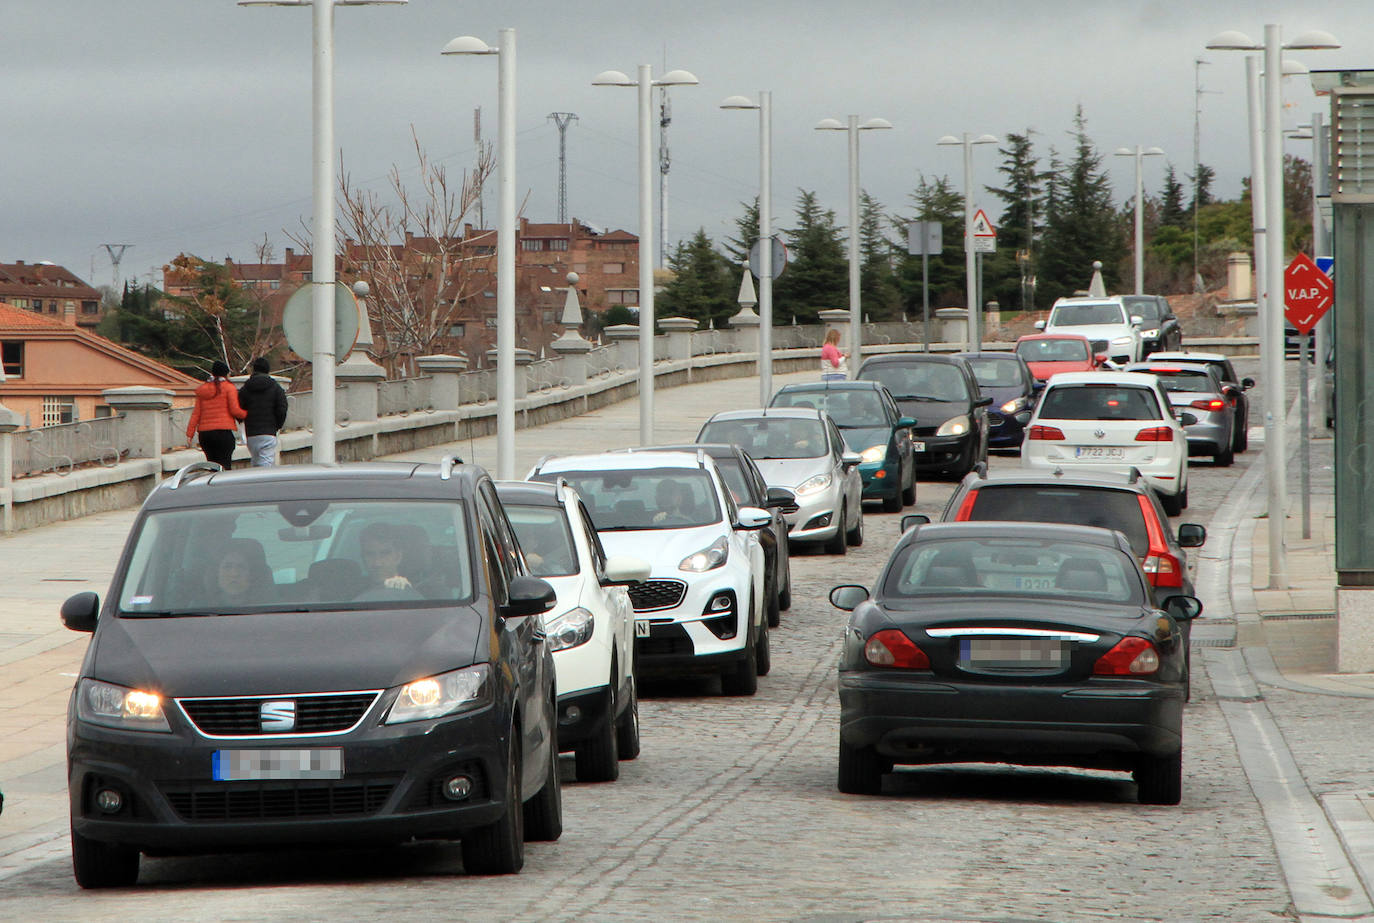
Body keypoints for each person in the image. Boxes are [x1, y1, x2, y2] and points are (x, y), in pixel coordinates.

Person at [186, 360, 247, 471]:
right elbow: (235, 410)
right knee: (224, 467)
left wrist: (189, 434)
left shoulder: (203, 390)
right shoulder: (229, 388)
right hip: (223, 434)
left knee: (212, 466)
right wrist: (248, 414)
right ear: (226, 373)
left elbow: (196, 414)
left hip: (205, 435)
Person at [238, 357, 288, 467]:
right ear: (267, 370)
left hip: (251, 434)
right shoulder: (275, 387)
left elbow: (239, 409)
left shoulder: (245, 388)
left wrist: (243, 421)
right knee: (266, 466)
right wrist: (277, 425)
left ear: (254, 370)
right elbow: (282, 408)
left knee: (256, 462)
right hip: (269, 432)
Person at [358, 523, 418, 595]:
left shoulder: (416, 589)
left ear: (398, 556)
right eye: (370, 554)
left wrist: (402, 585)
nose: (377, 563)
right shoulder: (351, 589)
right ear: (362, 557)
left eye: (384, 554)